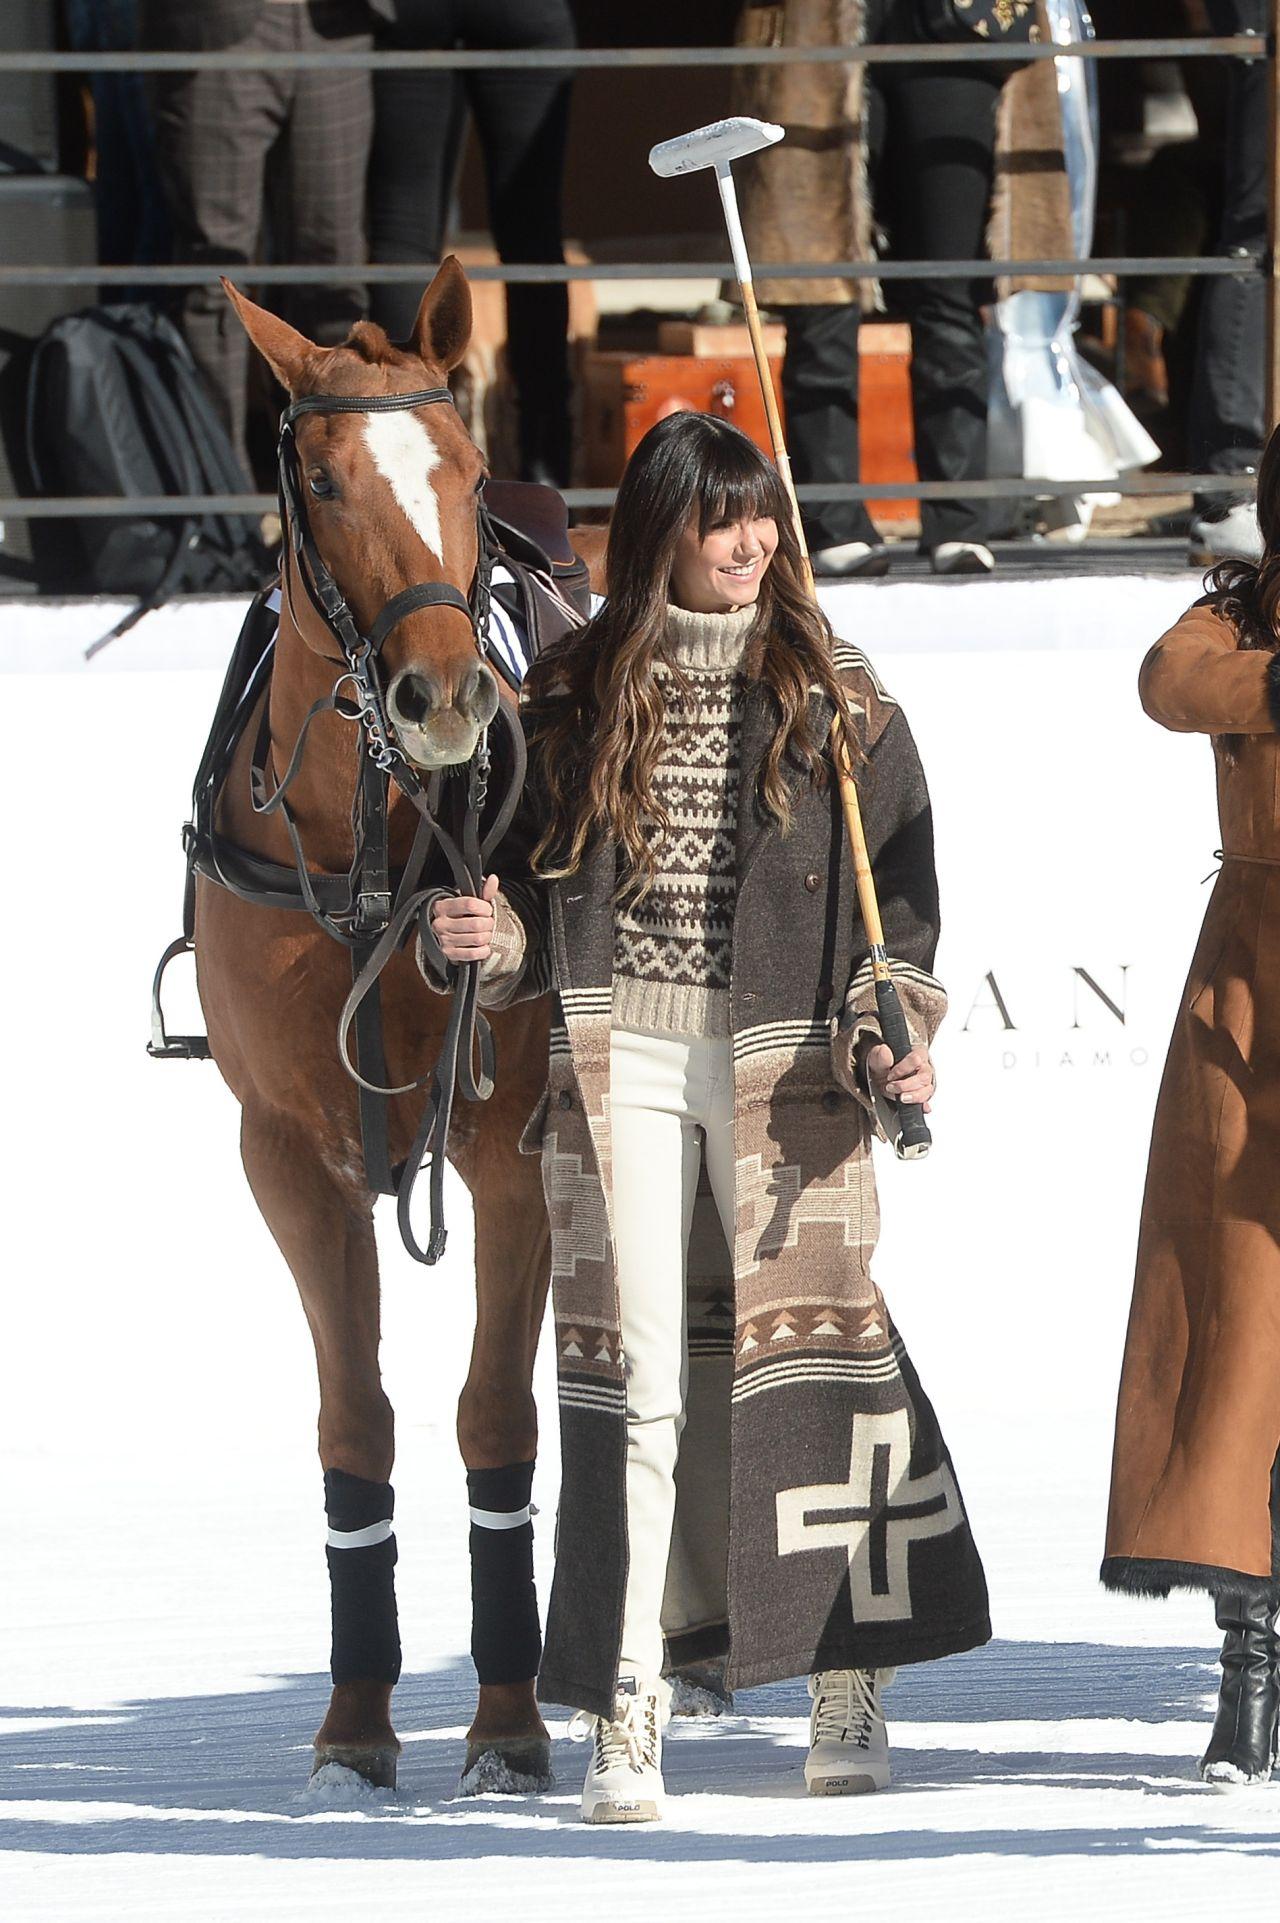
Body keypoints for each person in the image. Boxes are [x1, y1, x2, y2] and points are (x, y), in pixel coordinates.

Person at [429, 411, 991, 1821]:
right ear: (664, 525)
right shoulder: (567, 689)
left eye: (765, 519)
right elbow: (526, 920)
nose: (752, 543)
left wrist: (891, 1031)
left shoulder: (837, 693)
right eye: (722, 518)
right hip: (619, 1062)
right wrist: (479, 935)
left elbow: (898, 908)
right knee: (645, 1388)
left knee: (818, 1368)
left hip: (788, 1074)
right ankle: (629, 1703)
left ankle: (847, 1673)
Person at [1102, 427, 1280, 1785]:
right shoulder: (1235, 619)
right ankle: (1252, 1669)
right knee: (1240, 1345)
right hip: (1255, 998)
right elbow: (1170, 684)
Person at [733, 0, 1072, 577]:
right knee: (823, 293)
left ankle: (958, 521)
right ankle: (832, 521)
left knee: (950, 288)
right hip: (814, 35)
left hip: (958, 32)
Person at [141, 0, 375, 475]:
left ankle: (339, 483)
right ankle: (221, 495)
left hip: (334, 28)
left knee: (335, 273)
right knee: (214, 274)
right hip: (217, 30)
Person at [367, 0, 576, 485]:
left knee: (401, 234)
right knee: (533, 236)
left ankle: (399, 464)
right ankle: (549, 484)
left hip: (411, 15)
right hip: (522, 17)